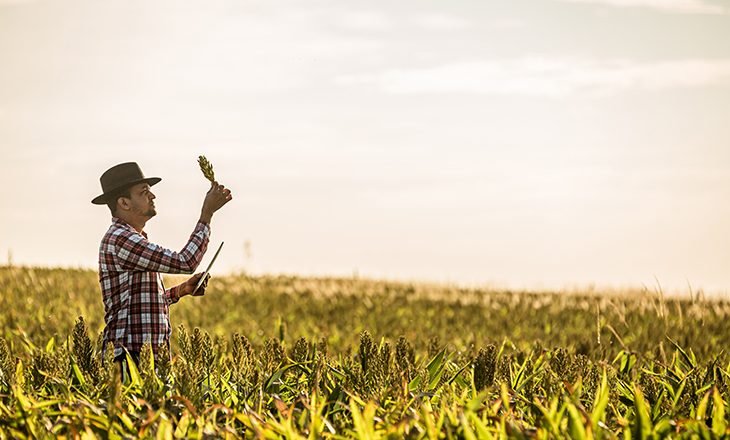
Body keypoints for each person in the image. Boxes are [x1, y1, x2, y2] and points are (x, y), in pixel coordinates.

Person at [91, 162, 232, 368]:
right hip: (129, 358)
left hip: (143, 357)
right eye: (144, 192)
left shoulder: (132, 239)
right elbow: (185, 262)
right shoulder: (122, 239)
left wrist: (181, 290)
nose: (152, 196)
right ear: (124, 203)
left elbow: (137, 304)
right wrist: (207, 214)